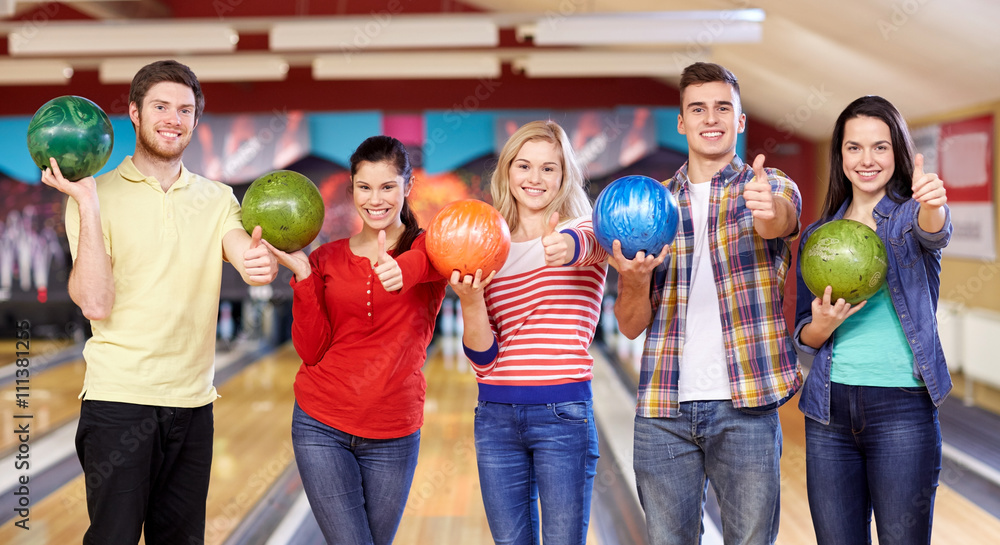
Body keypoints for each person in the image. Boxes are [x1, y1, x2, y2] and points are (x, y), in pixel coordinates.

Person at [39, 60, 278, 545]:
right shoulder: (93, 195)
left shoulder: (217, 198)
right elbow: (94, 303)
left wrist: (257, 261)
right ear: (134, 113)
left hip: (193, 405)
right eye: (161, 106)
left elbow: (238, 246)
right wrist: (86, 203)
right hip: (118, 400)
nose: (173, 118)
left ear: (195, 120)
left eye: (185, 110)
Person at [612, 62, 802, 545]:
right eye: (698, 108)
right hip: (663, 411)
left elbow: (778, 221)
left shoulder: (770, 185)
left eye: (723, 108)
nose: (710, 118)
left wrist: (767, 209)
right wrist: (634, 282)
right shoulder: (651, 206)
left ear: (740, 121)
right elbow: (631, 326)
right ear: (681, 121)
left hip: (747, 408)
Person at [262, 135, 447, 545]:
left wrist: (404, 268)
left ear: (407, 187)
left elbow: (432, 257)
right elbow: (310, 351)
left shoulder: (430, 250)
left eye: (387, 187)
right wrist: (305, 277)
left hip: (394, 430)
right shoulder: (325, 259)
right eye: (364, 187)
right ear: (352, 187)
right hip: (320, 424)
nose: (375, 198)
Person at [794, 95, 951, 545]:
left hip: (902, 408)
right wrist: (822, 326)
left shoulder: (908, 218)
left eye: (880, 147)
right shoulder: (819, 237)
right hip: (828, 412)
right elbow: (805, 331)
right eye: (854, 147)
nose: (867, 160)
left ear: (897, 153)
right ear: (840, 155)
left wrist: (932, 201)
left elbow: (934, 230)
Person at [450, 120, 608, 545]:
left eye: (548, 168)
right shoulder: (487, 247)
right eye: (524, 166)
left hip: (563, 414)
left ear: (564, 176)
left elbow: (588, 244)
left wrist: (565, 245)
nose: (534, 178)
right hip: (495, 416)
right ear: (507, 172)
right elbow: (484, 358)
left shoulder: (588, 229)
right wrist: (470, 301)